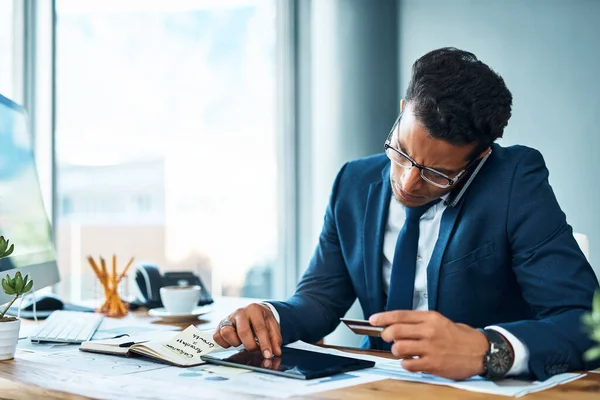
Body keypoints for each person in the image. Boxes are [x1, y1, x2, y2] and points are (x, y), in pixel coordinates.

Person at [213, 47, 600, 381]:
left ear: (479, 156)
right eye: (401, 152)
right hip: (376, 380)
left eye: (436, 173)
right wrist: (269, 316)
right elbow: (319, 300)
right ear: (401, 114)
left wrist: (486, 349)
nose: (409, 183)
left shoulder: (515, 180)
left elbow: (585, 322)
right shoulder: (352, 181)